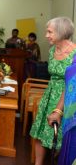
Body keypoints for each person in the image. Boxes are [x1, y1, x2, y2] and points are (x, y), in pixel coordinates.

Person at [30, 17, 76, 165]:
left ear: (61, 32)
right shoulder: (51, 51)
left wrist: (59, 110)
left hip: (67, 99)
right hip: (49, 95)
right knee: (41, 133)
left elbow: (70, 84)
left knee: (61, 137)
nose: (46, 35)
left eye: (50, 32)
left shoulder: (75, 54)